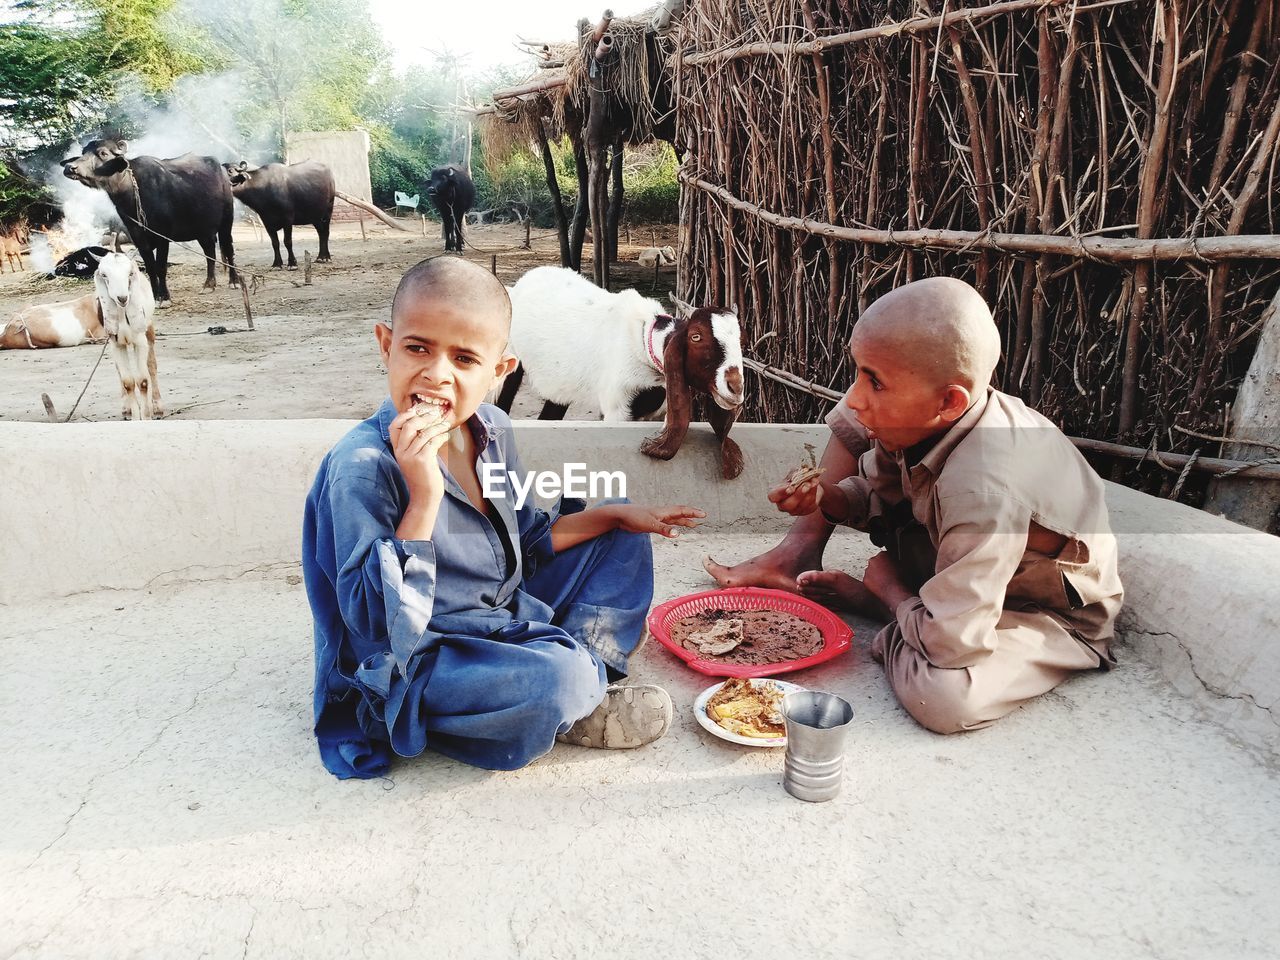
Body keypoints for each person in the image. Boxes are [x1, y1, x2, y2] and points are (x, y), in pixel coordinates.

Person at [303, 256, 704, 779]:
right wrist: (423, 496)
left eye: (464, 359)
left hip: (501, 607)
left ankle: (566, 679)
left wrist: (611, 519)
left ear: (500, 372)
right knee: (554, 680)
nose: (437, 374)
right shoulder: (361, 469)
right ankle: (559, 692)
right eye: (417, 347)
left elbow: (525, 540)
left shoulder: (491, 428)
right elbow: (375, 624)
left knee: (619, 530)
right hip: (425, 653)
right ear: (386, 344)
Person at [707, 277, 1123, 733]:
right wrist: (827, 498)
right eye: (859, 373)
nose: (855, 398)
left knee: (944, 698)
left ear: (949, 401)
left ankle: (898, 610)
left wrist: (888, 591)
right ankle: (914, 612)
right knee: (933, 628)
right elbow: (876, 492)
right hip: (966, 567)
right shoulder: (925, 422)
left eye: (876, 383)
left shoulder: (983, 487)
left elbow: (953, 647)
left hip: (1040, 610)